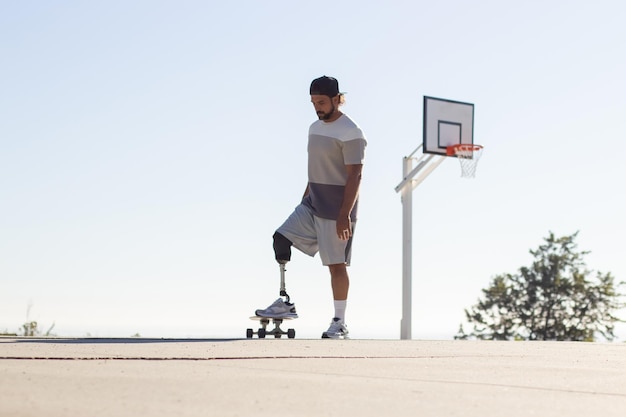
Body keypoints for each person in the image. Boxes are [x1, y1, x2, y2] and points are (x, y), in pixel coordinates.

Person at [254, 76, 367, 339]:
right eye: (313, 102)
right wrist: (304, 199)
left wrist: (344, 216)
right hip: (312, 203)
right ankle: (284, 302)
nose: (317, 107)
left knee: (336, 266)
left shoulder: (352, 133)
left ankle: (339, 322)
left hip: (337, 209)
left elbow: (355, 177)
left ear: (338, 99)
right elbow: (316, 168)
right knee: (280, 238)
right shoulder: (314, 128)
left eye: (322, 102)